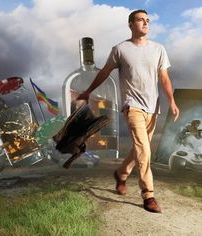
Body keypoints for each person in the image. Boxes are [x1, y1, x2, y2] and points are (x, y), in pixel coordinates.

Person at [77, 9, 179, 213]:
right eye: (141, 20)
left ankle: (121, 173)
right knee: (144, 150)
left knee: (141, 148)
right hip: (132, 106)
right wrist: (88, 91)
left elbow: (164, 78)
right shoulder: (120, 49)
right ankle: (148, 195)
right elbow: (105, 72)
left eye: (148, 20)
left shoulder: (159, 49)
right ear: (131, 24)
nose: (145, 23)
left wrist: (172, 101)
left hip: (153, 106)